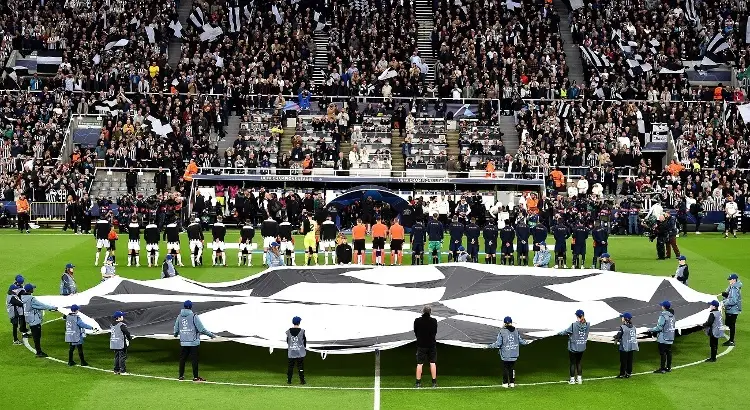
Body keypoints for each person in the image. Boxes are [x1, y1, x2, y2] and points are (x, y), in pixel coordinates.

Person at [174, 300, 216, 382]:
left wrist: (175, 335)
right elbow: (201, 329)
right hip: (193, 342)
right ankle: (195, 377)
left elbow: (176, 329)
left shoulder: (179, 316)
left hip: (183, 341)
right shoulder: (194, 316)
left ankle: (181, 376)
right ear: (191, 307)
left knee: (182, 359)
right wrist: (211, 335)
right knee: (194, 359)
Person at [488, 316, 532, 388]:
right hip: (514, 354)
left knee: (505, 368)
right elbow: (520, 341)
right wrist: (527, 342)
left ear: (504, 323)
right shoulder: (515, 331)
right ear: (511, 322)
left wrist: (489, 346)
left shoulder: (502, 331)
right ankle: (512, 383)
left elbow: (498, 343)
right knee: (512, 368)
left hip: (505, 354)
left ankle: (505, 383)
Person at [21, 284, 58, 357]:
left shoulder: (22, 298)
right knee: (37, 337)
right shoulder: (31, 299)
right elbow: (41, 305)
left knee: (36, 336)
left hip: (29, 318)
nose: (33, 290)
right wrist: (52, 308)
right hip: (35, 320)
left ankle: (39, 351)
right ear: (30, 290)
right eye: (32, 288)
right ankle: (39, 352)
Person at [558, 309, 589, 384]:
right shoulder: (587, 324)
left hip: (573, 347)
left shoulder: (573, 325)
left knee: (572, 363)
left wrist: (558, 332)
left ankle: (572, 379)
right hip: (582, 346)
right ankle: (579, 379)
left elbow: (566, 331)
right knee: (578, 362)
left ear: (576, 316)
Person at [414, 305, 438, 388]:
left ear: (423, 312)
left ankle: (418, 382)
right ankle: (434, 382)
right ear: (430, 312)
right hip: (431, 344)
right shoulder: (434, 321)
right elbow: (435, 332)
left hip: (421, 345)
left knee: (419, 364)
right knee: (432, 363)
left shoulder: (417, 321)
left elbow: (416, 332)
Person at [649, 301, 676, 373]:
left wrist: (650, 330)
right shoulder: (672, 316)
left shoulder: (663, 316)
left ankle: (662, 369)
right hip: (670, 337)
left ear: (663, 307)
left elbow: (659, 328)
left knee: (663, 353)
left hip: (663, 337)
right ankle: (668, 367)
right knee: (669, 352)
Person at [613, 312, 639, 378]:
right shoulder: (633, 327)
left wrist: (615, 338)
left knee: (623, 361)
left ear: (625, 319)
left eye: (622, 317)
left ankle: (622, 374)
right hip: (631, 346)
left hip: (624, 347)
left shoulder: (622, 327)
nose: (621, 318)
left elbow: (618, 336)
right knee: (629, 360)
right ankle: (629, 373)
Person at [721, 273, 742, 346]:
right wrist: (725, 295)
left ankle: (731, 341)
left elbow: (733, 300)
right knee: (730, 324)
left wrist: (723, 303)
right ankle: (731, 340)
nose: (729, 281)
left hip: (733, 309)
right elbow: (730, 296)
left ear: (734, 280)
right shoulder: (732, 287)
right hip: (731, 309)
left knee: (731, 325)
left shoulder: (734, 288)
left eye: (730, 280)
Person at [111, 310, 132, 375]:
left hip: (114, 343)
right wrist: (129, 338)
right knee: (122, 357)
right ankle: (122, 370)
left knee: (117, 356)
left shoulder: (112, 325)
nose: (123, 317)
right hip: (121, 343)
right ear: (119, 317)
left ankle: (116, 370)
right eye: (122, 316)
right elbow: (127, 333)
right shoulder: (122, 325)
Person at [286, 316, 306, 385]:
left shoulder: (288, 331)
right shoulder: (302, 331)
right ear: (299, 322)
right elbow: (304, 342)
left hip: (291, 352)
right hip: (300, 352)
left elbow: (287, 341)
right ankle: (302, 381)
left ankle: (289, 380)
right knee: (300, 366)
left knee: (290, 367)